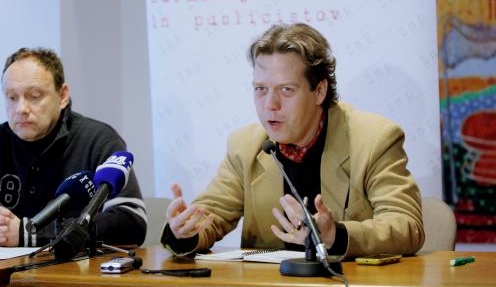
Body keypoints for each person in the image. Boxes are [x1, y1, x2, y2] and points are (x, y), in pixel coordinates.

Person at [162, 23, 424, 259]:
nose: (270, 105)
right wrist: (185, 231)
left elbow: (407, 226)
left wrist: (335, 235)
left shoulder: (374, 139)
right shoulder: (246, 145)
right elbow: (211, 214)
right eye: (260, 89)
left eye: (286, 90)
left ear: (319, 91)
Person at [0, 47, 146, 247]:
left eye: (34, 96)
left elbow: (131, 220)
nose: (21, 109)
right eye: (11, 98)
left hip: (72, 275)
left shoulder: (98, 140)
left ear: (63, 95)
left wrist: (28, 232)